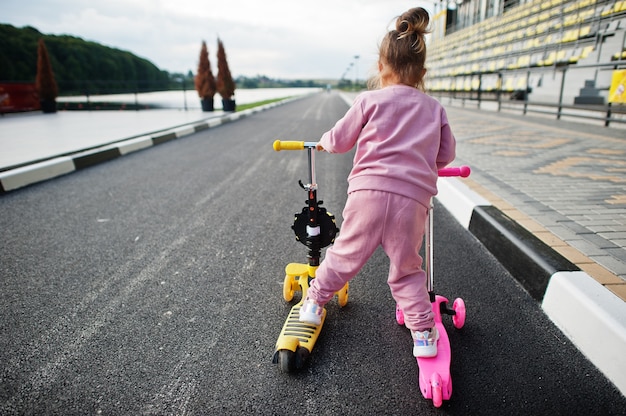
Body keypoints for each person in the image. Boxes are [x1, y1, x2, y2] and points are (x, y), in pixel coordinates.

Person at [299, 7, 456, 358]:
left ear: (381, 67)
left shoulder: (368, 100)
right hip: (411, 203)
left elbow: (339, 141)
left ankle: (313, 304)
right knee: (406, 270)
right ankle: (423, 336)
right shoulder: (434, 110)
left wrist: (324, 141)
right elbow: (445, 155)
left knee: (344, 257)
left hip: (367, 196)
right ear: (423, 73)